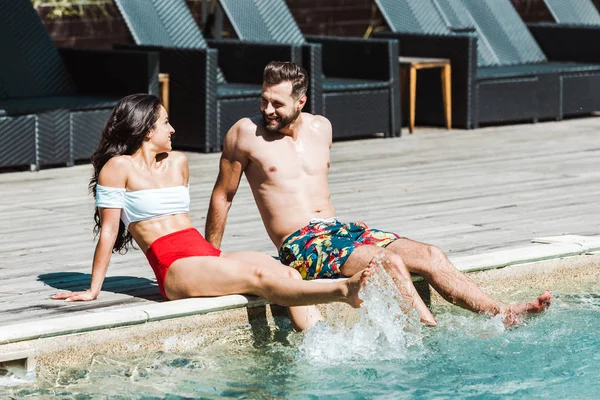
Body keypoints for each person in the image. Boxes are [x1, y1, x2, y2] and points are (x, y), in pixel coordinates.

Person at [205, 61, 552, 327]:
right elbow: (223, 195)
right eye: (264, 100)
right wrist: (208, 258)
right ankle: (429, 333)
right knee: (385, 261)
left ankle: (502, 313)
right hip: (300, 244)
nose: (267, 110)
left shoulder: (321, 127)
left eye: (277, 104)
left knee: (431, 254)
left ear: (301, 101)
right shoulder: (245, 134)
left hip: (340, 230)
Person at [51, 93, 371, 332]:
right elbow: (109, 230)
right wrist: (94, 289)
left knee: (287, 272)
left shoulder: (178, 162)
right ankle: (343, 290)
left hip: (202, 252)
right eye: (165, 122)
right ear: (147, 129)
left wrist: (211, 253)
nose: (173, 129)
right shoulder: (117, 168)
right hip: (173, 266)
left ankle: (320, 346)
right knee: (258, 276)